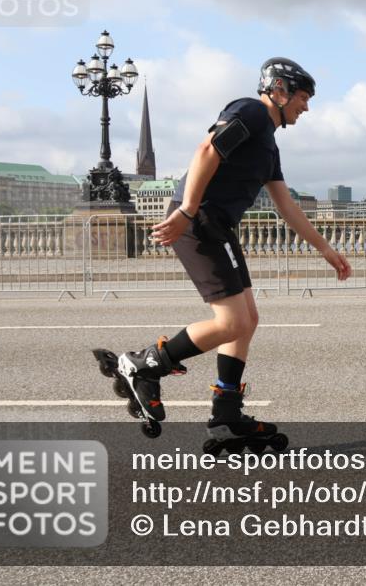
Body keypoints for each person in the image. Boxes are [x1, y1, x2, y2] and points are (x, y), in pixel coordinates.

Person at [107, 57, 351, 449]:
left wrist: (325, 249)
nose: (307, 107)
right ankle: (144, 363)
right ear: (280, 90)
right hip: (200, 220)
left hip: (216, 225)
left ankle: (226, 416)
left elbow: (286, 205)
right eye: (303, 97)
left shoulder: (268, 143)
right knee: (233, 321)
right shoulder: (251, 111)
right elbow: (208, 149)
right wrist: (186, 210)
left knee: (247, 319)